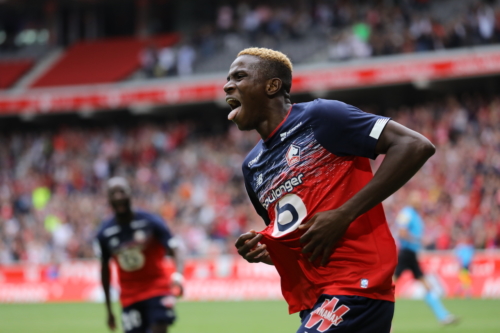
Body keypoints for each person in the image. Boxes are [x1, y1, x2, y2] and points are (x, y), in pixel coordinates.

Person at [225, 47, 436, 333]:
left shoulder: (321, 117)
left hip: (357, 285)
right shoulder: (252, 166)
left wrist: (344, 213)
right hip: (316, 298)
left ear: (272, 86)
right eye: (228, 79)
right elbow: (301, 240)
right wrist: (271, 252)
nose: (227, 85)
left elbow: (415, 145)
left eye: (239, 76)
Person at [95, 177, 184, 333]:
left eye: (121, 192)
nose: (118, 197)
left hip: (158, 289)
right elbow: (104, 271)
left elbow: (176, 248)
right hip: (130, 296)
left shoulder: (151, 222)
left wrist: (178, 275)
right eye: (113, 193)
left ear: (130, 194)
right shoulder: (105, 233)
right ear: (108, 199)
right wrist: (109, 311)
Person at [393, 191, 458, 324]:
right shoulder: (406, 213)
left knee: (425, 285)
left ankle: (443, 316)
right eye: (416, 199)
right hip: (406, 254)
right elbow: (402, 233)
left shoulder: (415, 215)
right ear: (411, 200)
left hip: (411, 255)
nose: (419, 201)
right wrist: (419, 240)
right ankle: (443, 316)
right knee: (390, 286)